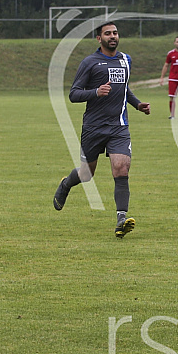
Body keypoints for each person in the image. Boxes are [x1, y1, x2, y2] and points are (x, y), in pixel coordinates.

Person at [53, 21, 151, 238]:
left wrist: (137, 104)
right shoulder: (89, 63)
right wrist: (95, 92)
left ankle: (121, 220)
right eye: (107, 33)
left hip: (119, 126)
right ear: (99, 38)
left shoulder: (126, 60)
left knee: (121, 168)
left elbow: (124, 88)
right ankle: (66, 184)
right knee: (87, 174)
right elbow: (74, 94)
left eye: (115, 32)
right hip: (93, 127)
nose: (112, 36)